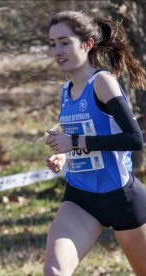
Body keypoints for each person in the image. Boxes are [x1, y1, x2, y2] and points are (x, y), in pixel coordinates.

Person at [44, 11, 146, 276]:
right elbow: (77, 140)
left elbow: (134, 139)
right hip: (80, 197)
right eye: (53, 43)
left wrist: (74, 141)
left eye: (65, 42)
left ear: (87, 44)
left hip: (121, 198)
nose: (58, 50)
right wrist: (64, 156)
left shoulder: (102, 82)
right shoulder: (64, 92)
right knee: (54, 271)